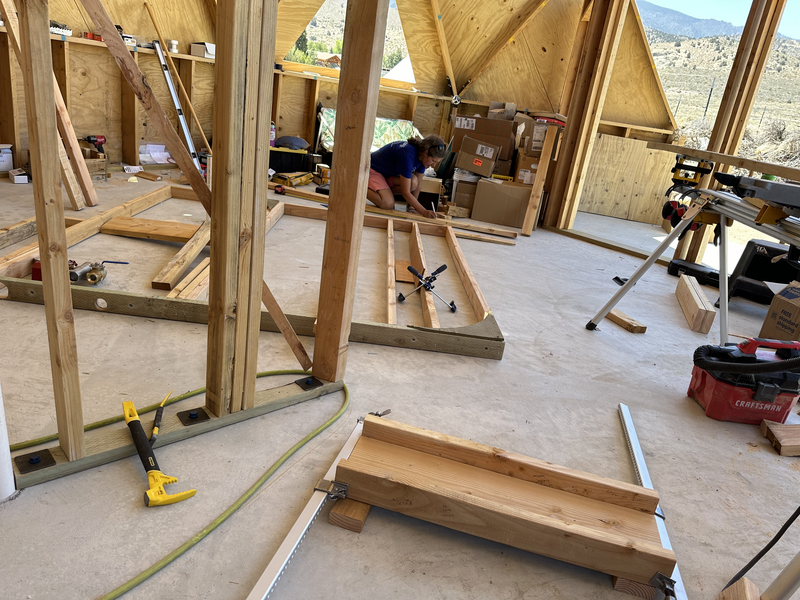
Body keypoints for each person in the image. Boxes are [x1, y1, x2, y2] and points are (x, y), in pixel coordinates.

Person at [367, 135, 447, 218]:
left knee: (413, 183)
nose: (433, 165)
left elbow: (418, 184)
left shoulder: (422, 156)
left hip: (387, 174)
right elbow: (406, 193)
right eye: (433, 161)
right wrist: (424, 211)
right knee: (387, 204)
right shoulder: (407, 154)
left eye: (436, 162)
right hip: (372, 170)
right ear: (426, 152)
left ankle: (384, 192)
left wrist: (412, 207)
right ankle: (357, 187)